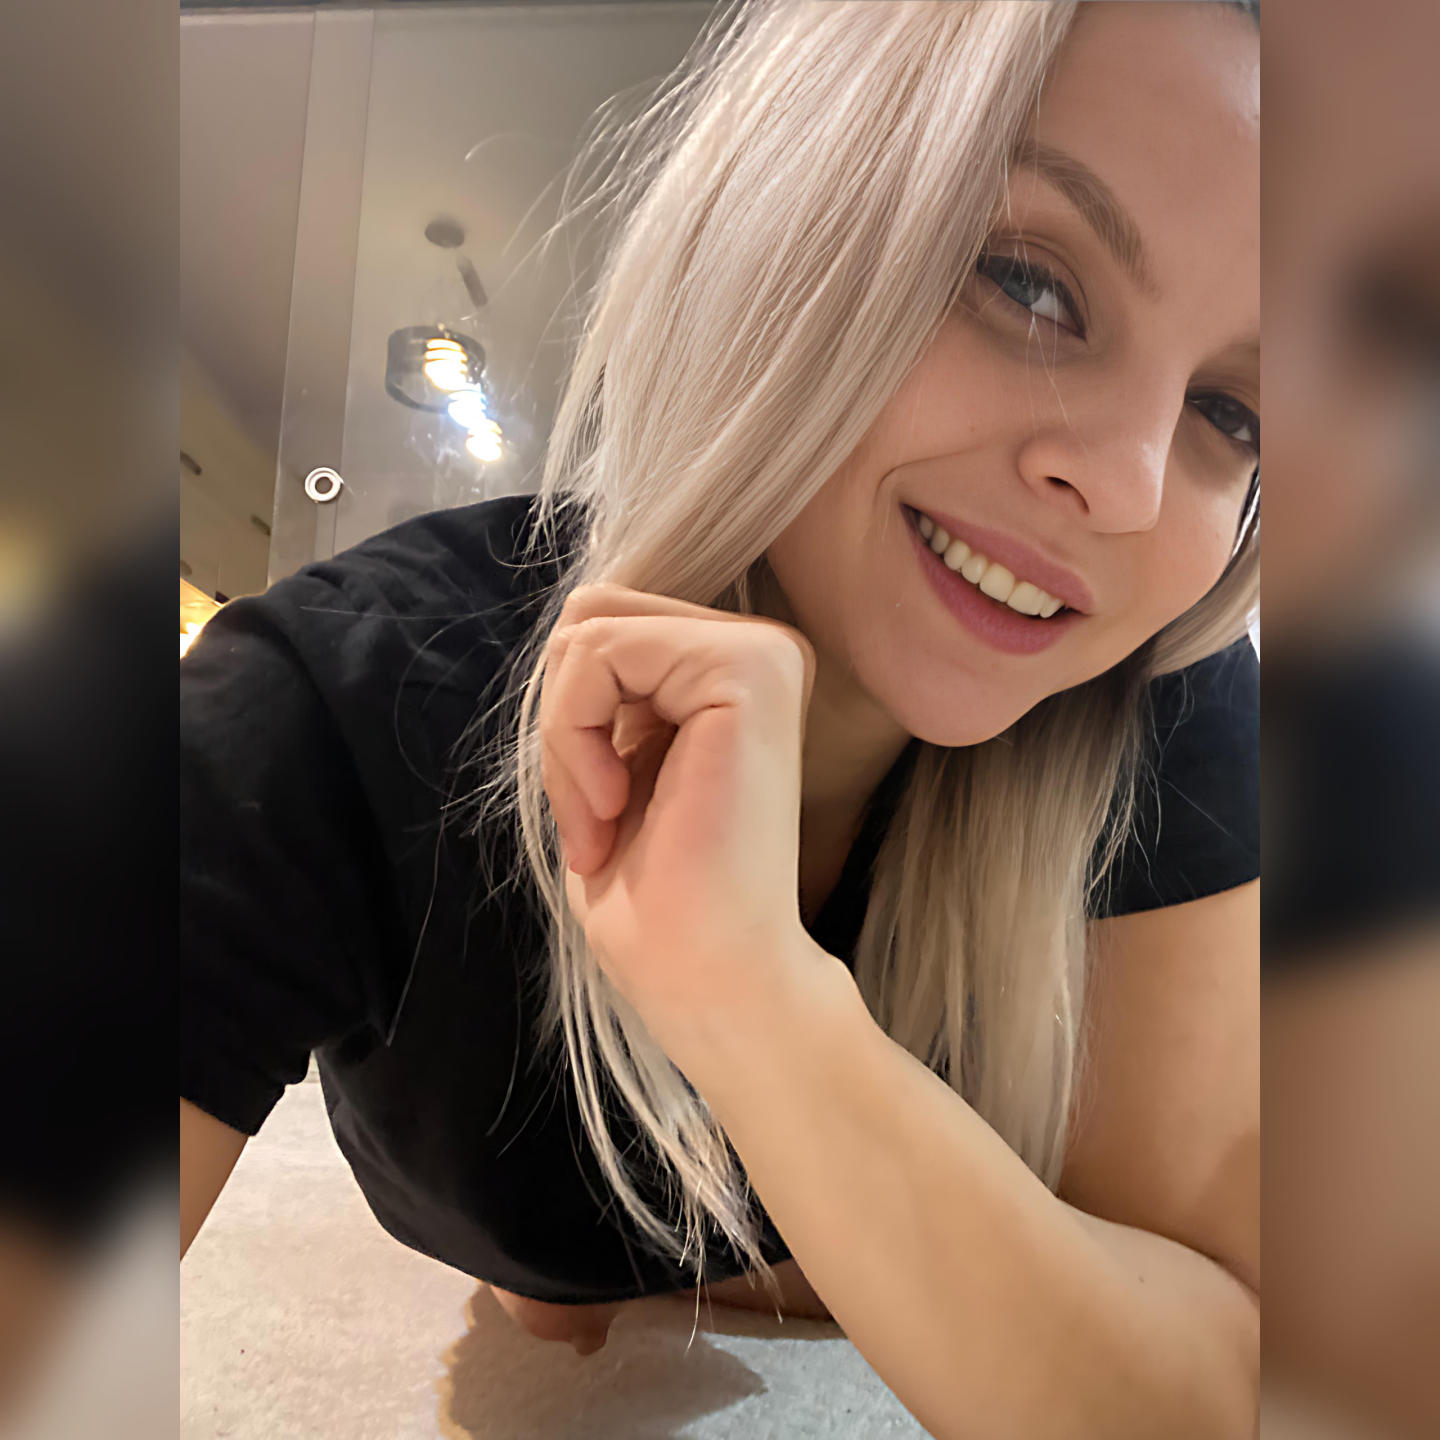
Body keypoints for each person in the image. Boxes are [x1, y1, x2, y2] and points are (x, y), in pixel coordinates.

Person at [182, 2, 1259, 1433]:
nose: (1126, 488)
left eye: (1234, 413)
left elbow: (1210, 1375)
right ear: (778, 226)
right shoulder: (338, 700)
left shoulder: (1155, 705)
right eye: (1028, 284)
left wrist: (760, 1000)